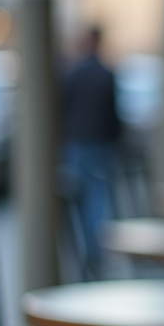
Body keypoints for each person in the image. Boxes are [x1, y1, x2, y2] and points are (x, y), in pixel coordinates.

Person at [61, 25, 121, 276]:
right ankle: (94, 251)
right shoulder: (106, 74)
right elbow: (113, 113)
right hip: (100, 144)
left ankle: (86, 249)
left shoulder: (74, 73)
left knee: (81, 198)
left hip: (78, 142)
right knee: (97, 198)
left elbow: (63, 109)